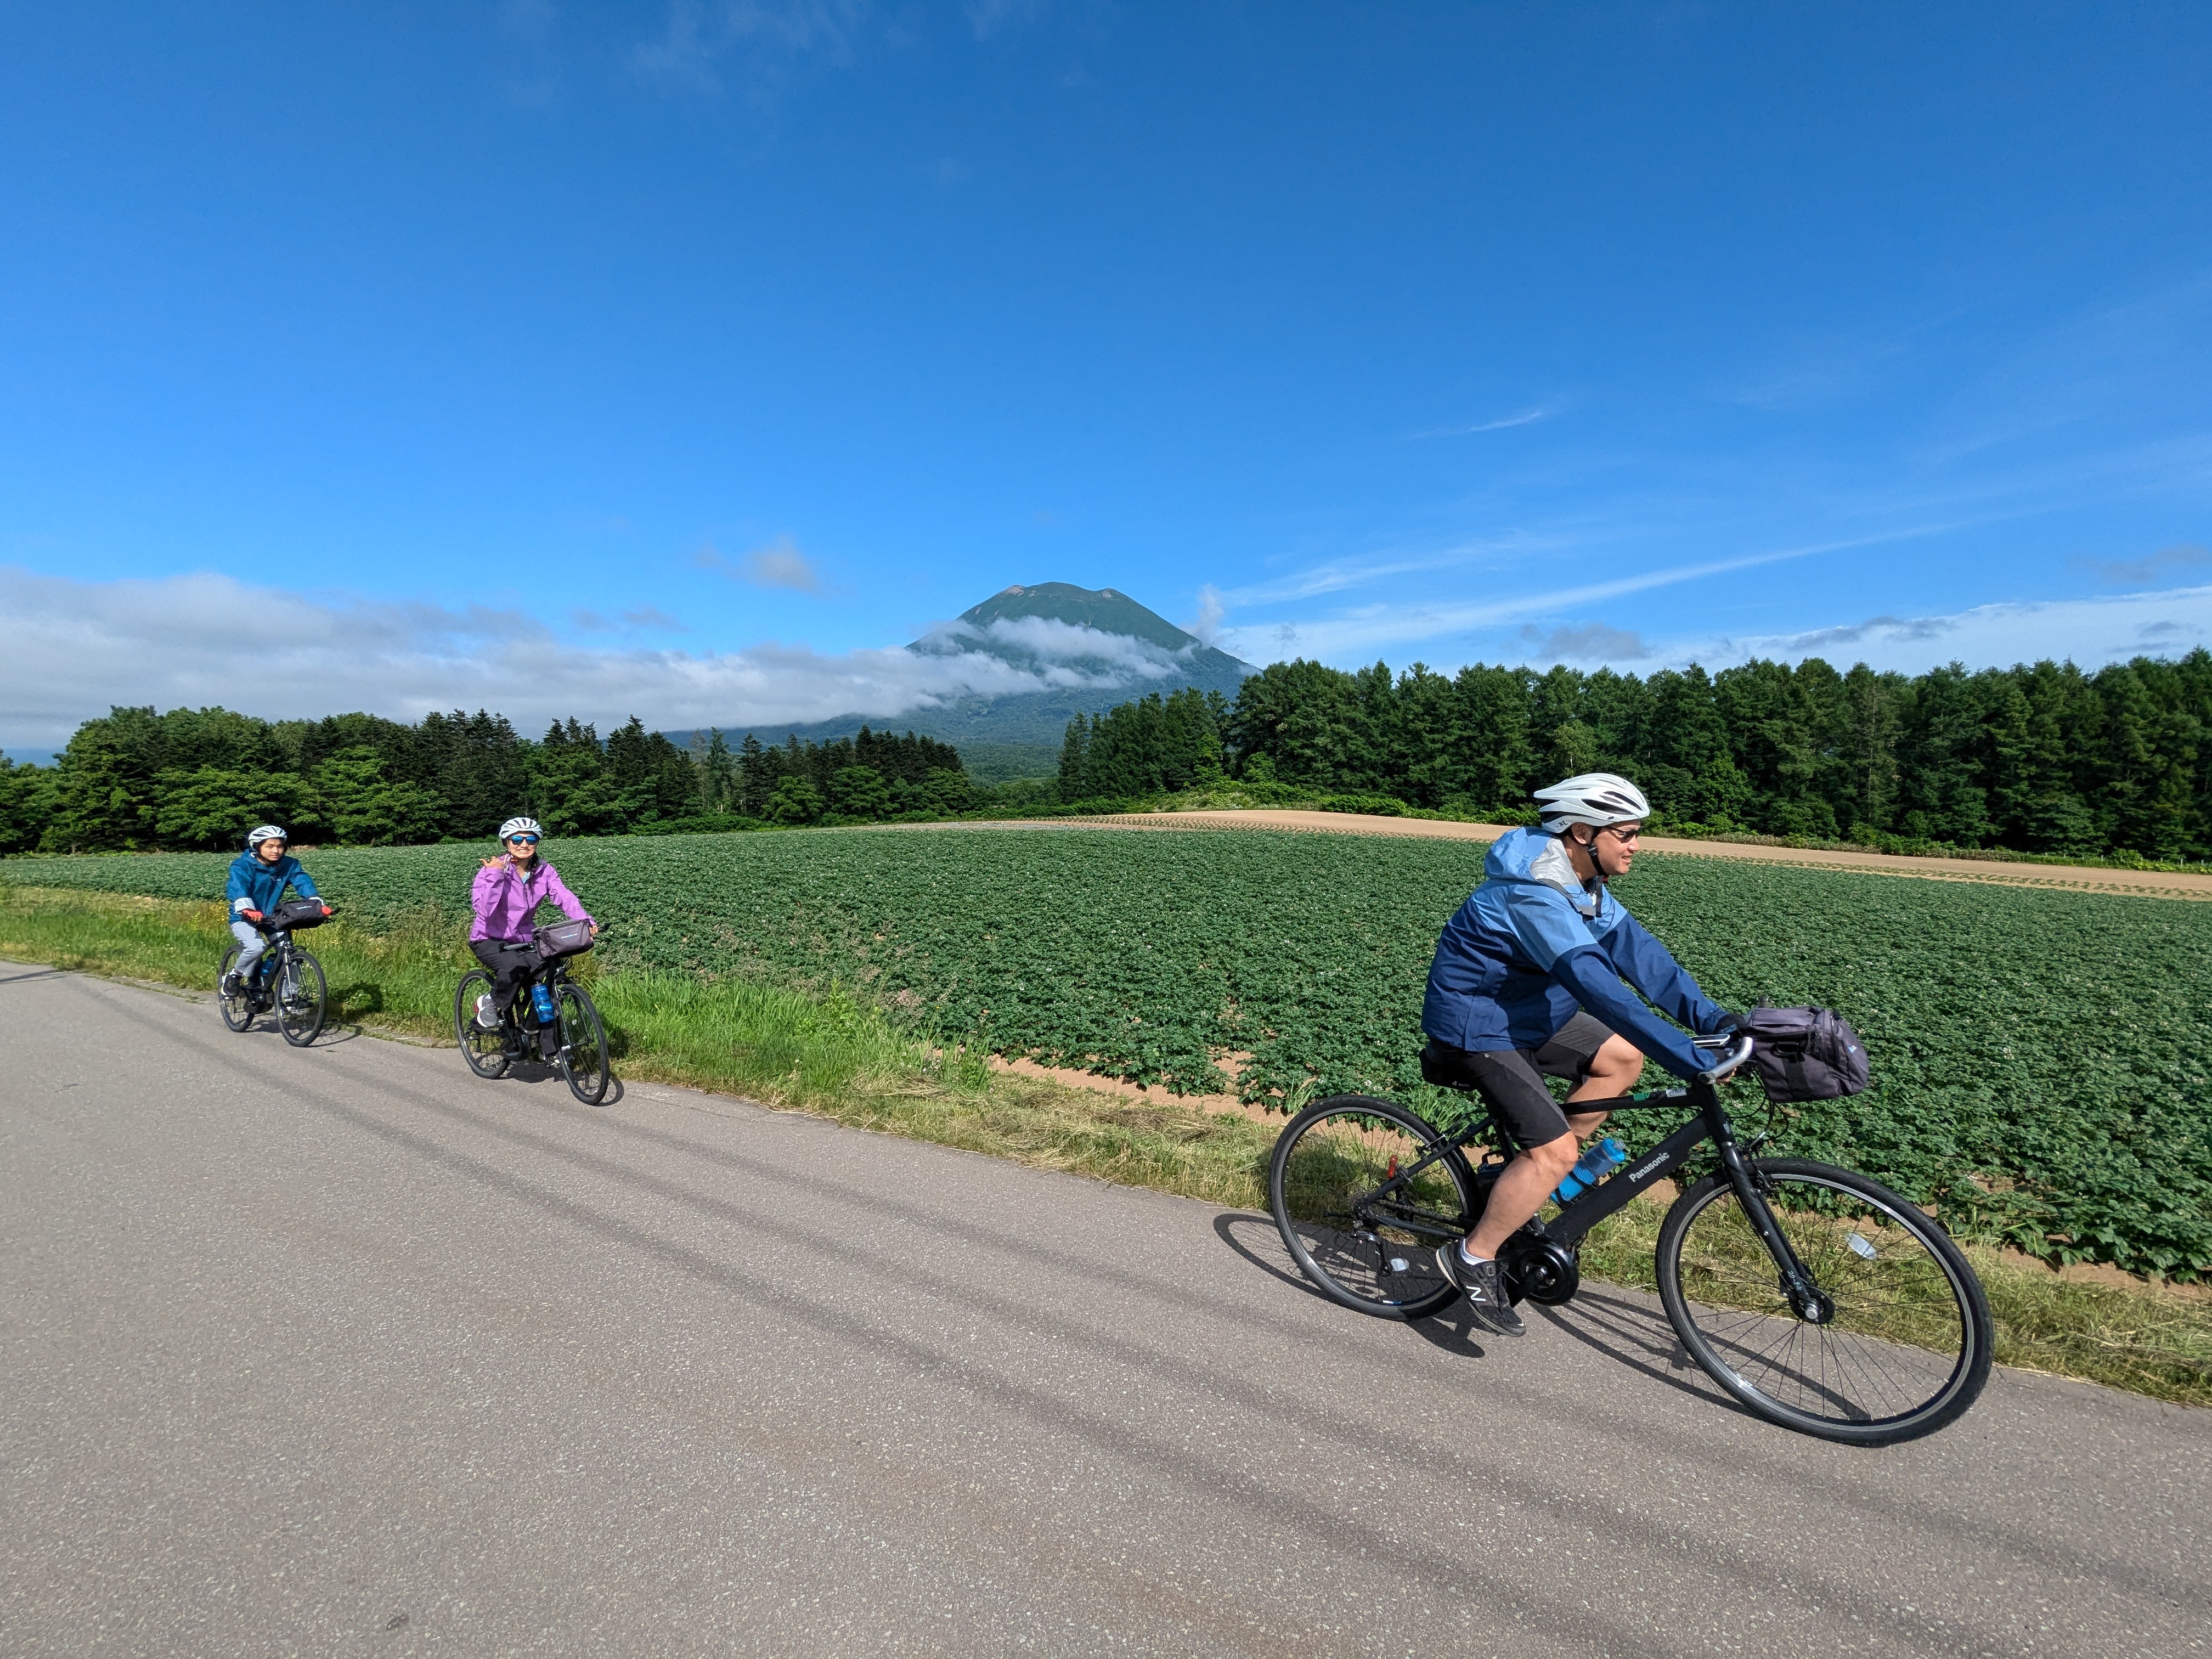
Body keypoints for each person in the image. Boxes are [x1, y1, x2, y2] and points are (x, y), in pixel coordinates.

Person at [1420, 773, 1745, 1336]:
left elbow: (1644, 958)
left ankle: (1539, 1180)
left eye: (1637, 833)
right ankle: (1473, 1256)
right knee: (1556, 1150)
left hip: (1534, 1016)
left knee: (1621, 1059)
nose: (1636, 845)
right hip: (1479, 1025)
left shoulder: (1584, 884)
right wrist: (1689, 1056)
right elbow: (1599, 988)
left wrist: (1713, 1021)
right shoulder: (1535, 893)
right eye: (1626, 833)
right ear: (1582, 832)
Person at [470, 816, 595, 1052]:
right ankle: (490, 1002)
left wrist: (586, 921)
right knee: (513, 968)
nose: (524, 844)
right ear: (506, 842)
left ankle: (543, 1043)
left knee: (548, 974)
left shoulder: (544, 871)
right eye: (517, 839)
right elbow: (484, 910)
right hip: (488, 938)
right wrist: (495, 876)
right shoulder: (492, 871)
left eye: (531, 839)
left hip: (524, 938)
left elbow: (564, 897)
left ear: (538, 842)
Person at [221, 825, 329, 1000]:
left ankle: (290, 998)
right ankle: (234, 976)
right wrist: (248, 909)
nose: (276, 851)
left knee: (289, 953)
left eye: (280, 846)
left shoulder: (289, 865)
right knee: (256, 947)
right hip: (243, 917)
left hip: (272, 917)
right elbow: (238, 888)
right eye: (270, 846)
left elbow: (303, 882)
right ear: (257, 847)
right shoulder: (242, 866)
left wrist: (316, 903)